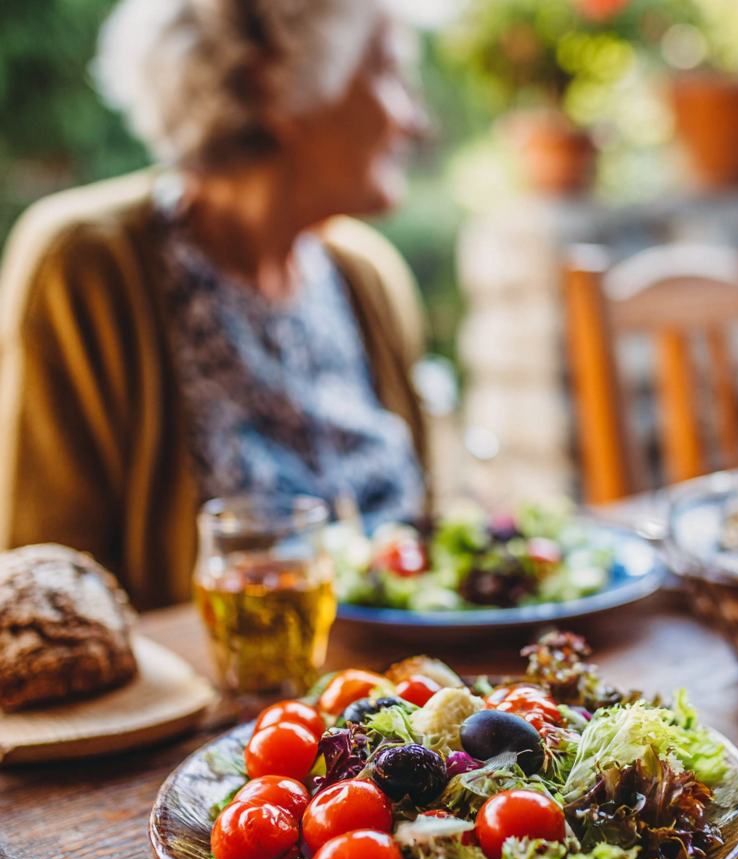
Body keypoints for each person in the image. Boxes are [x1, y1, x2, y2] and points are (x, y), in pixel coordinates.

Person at [0, 0, 430, 610]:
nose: (413, 119)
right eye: (386, 72)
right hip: (219, 701)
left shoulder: (365, 275)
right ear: (274, 82)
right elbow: (47, 601)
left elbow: (433, 547)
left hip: (399, 696)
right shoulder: (86, 266)